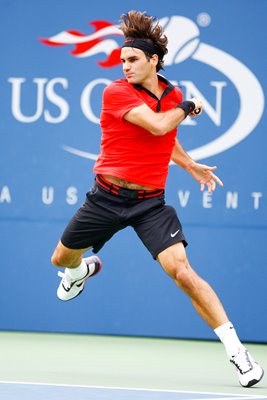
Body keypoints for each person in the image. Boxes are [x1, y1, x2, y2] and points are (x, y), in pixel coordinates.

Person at [51, 10, 264, 388]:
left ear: (153, 60)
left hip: (151, 203)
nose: (125, 66)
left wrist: (190, 164)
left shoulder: (171, 94)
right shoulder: (116, 91)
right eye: (122, 61)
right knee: (61, 259)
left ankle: (239, 354)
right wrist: (189, 108)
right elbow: (158, 123)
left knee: (182, 272)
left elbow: (165, 139)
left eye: (133, 60)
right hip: (105, 198)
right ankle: (80, 270)